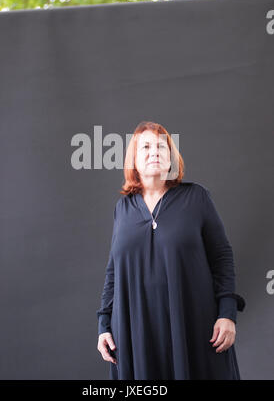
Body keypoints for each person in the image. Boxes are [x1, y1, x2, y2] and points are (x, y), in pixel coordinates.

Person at [96, 120, 246, 380]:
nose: (154, 151)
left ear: (171, 158)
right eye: (146, 147)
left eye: (161, 147)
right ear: (133, 158)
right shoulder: (122, 209)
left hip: (194, 326)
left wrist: (227, 313)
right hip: (136, 333)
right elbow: (113, 271)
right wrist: (103, 325)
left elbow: (222, 257)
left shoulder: (197, 198)